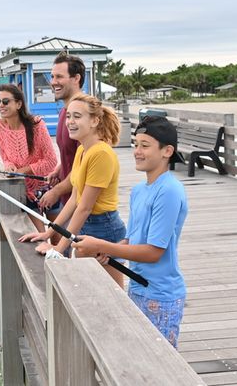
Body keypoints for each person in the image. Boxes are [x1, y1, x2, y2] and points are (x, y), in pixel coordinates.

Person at [72, 115, 189, 348]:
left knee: (158, 364)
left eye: (145, 146)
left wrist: (101, 245)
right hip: (138, 289)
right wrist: (110, 254)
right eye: (136, 144)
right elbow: (131, 241)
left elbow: (153, 252)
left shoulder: (169, 191)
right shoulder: (139, 191)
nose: (137, 151)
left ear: (167, 151)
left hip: (161, 295)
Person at [19, 93, 127, 287]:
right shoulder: (82, 149)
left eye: (77, 116)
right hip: (86, 225)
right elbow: (74, 199)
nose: (70, 122)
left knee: (114, 292)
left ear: (95, 120)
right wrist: (48, 233)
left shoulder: (100, 153)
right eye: (68, 116)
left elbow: (84, 207)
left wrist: (59, 250)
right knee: (92, 289)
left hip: (104, 228)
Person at [0, 84, 59, 232]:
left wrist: (22, 170)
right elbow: (5, 157)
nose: (1, 105)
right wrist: (8, 166)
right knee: (39, 239)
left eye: (6, 101)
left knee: (58, 240)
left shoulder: (37, 125)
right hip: (25, 191)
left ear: (19, 104)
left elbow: (51, 161)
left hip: (49, 187)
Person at [36, 53, 85, 220]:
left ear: (76, 78)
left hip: (84, 209)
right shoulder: (66, 111)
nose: (53, 82)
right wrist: (59, 170)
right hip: (68, 200)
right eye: (52, 76)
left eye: (59, 77)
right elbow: (72, 153)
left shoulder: (84, 114)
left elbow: (84, 167)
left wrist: (56, 191)